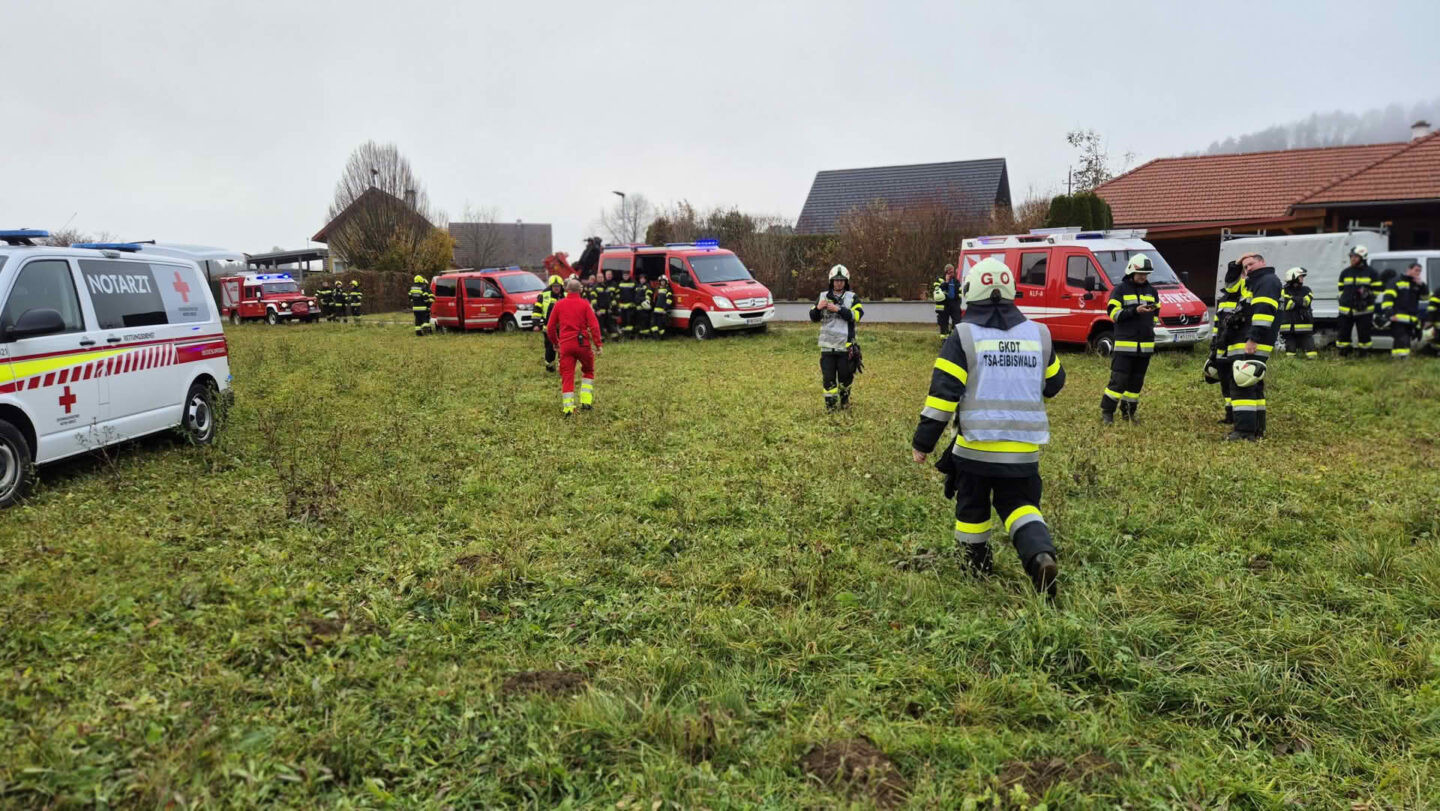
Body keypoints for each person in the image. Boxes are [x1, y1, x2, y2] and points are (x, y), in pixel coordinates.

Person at [910, 257, 1066, 598]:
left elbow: (942, 396)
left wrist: (923, 444)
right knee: (1021, 506)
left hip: (975, 452)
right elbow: (1055, 383)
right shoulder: (1039, 334)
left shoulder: (963, 336)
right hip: (1024, 453)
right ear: (1011, 291)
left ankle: (975, 567)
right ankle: (1039, 556)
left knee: (973, 507)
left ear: (970, 293)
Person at [1226, 252, 1281, 441]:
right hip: (1250, 340)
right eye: (1245, 266)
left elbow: (1263, 313)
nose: (1248, 268)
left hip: (1252, 342)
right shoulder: (1253, 281)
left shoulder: (1267, 281)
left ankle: (1244, 432)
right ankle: (1257, 429)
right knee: (1253, 385)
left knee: (1243, 385)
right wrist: (1236, 264)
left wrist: (1253, 338)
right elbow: (1230, 287)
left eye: (1250, 264)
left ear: (1262, 262)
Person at [1100, 254, 1159, 424]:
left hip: (1145, 347)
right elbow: (1113, 314)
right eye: (1141, 274)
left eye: (1146, 274)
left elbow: (1156, 314)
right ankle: (1107, 413)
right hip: (1125, 347)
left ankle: (1129, 413)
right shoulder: (1120, 290)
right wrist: (1135, 311)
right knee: (1118, 382)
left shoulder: (1152, 291)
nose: (1144, 277)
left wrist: (1149, 327)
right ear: (1132, 271)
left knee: (1135, 384)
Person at [545, 278, 603, 416]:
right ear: (580, 290)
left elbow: (550, 327)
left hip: (565, 345)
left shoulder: (559, 305)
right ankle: (586, 402)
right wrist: (598, 344)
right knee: (588, 371)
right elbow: (594, 326)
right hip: (583, 345)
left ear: (566, 290)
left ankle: (568, 408)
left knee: (567, 375)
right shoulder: (585, 304)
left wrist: (555, 343)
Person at [809, 265, 864, 410]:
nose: (838, 283)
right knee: (828, 380)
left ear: (846, 282)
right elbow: (813, 317)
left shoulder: (852, 297)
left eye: (841, 280)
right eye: (836, 280)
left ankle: (844, 401)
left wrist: (839, 309)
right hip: (827, 347)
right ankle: (830, 406)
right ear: (831, 281)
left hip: (845, 347)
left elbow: (857, 315)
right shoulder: (822, 296)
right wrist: (817, 308)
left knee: (846, 378)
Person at [1210, 259, 1246, 425]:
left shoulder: (1245, 298)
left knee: (1237, 382)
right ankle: (1229, 414)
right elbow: (1217, 325)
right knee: (1225, 382)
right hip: (1222, 348)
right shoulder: (1223, 299)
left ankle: (1239, 416)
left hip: (1238, 348)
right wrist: (1213, 347)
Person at [1380, 262, 1430, 359]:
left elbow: (1425, 298)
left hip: (1410, 319)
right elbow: (1388, 298)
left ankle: (1396, 359)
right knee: (1403, 340)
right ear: (1409, 270)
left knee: (1400, 341)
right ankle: (1403, 360)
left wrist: (1422, 285)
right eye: (1416, 270)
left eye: (1419, 271)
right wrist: (1389, 313)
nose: (1418, 273)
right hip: (1397, 318)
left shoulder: (1416, 285)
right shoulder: (1396, 281)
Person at [1336, 245, 1375, 355]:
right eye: (1351, 256)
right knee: (1343, 334)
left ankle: (1364, 355)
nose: (1352, 259)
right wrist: (1345, 300)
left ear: (1363, 258)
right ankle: (1343, 354)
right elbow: (1341, 289)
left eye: (1355, 257)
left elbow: (1378, 290)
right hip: (1345, 311)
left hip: (1364, 311)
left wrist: (1367, 296)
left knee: (1364, 335)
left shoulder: (1371, 273)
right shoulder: (1345, 272)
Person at [1281, 267, 1317, 359]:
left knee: (1310, 349)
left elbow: (1306, 302)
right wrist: (1299, 300)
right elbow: (1288, 305)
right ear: (1293, 277)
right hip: (1288, 326)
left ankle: (1313, 364)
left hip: (1304, 325)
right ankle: (1290, 365)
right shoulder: (1283, 290)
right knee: (1290, 350)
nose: (1302, 279)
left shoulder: (1307, 289)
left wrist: (1293, 299)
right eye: (1300, 276)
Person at [535, 274, 564, 372]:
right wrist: (536, 324)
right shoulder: (544, 295)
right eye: (555, 286)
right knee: (550, 348)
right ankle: (550, 366)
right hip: (548, 327)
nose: (556, 288)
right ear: (551, 286)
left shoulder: (565, 295)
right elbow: (537, 309)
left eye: (558, 286)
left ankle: (563, 366)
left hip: (563, 327)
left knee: (563, 347)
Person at [931, 263, 959, 336]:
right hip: (943, 306)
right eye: (950, 272)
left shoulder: (955, 281)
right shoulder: (939, 280)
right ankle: (944, 341)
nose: (952, 274)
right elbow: (937, 291)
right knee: (943, 325)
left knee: (957, 322)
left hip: (953, 305)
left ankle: (953, 338)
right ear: (946, 272)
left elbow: (958, 293)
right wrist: (946, 282)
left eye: (953, 272)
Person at [649, 275, 673, 339]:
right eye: (661, 281)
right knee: (654, 324)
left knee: (660, 325)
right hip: (656, 310)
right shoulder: (657, 289)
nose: (662, 282)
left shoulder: (668, 289)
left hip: (662, 310)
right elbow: (654, 299)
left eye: (663, 281)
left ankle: (661, 337)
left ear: (666, 282)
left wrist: (666, 308)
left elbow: (669, 300)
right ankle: (655, 336)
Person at [617, 269, 638, 339]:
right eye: (624, 275)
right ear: (622, 276)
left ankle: (631, 335)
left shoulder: (634, 282)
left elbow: (636, 294)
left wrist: (634, 303)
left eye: (627, 275)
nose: (625, 276)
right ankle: (625, 335)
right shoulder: (620, 283)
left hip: (630, 306)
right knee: (624, 321)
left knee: (630, 321)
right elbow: (618, 293)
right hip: (622, 306)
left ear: (629, 275)